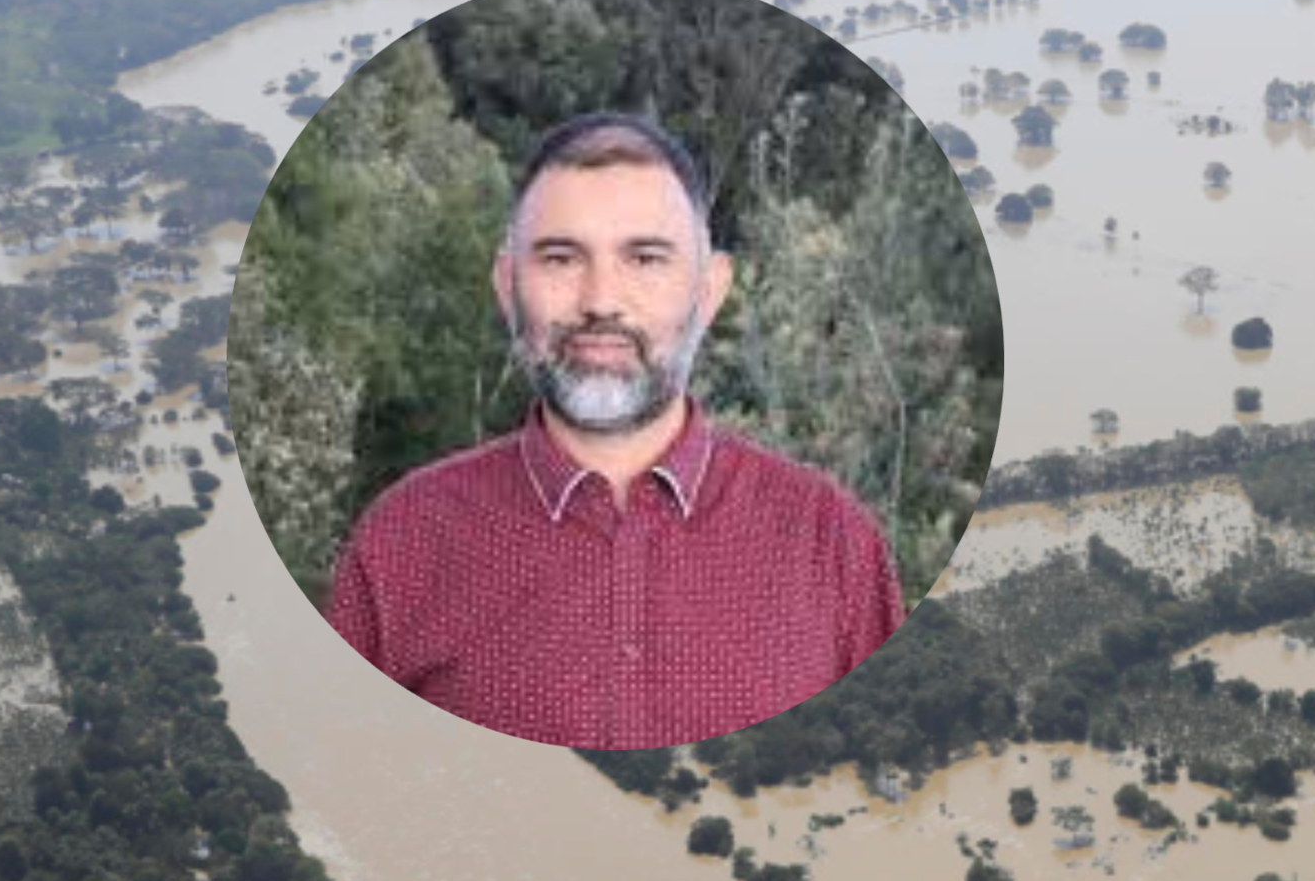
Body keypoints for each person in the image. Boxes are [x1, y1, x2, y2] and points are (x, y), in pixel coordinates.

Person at [325, 113, 903, 748]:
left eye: (645, 258)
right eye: (560, 257)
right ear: (506, 285)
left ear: (708, 292)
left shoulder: (832, 546)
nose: (601, 299)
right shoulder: (403, 542)